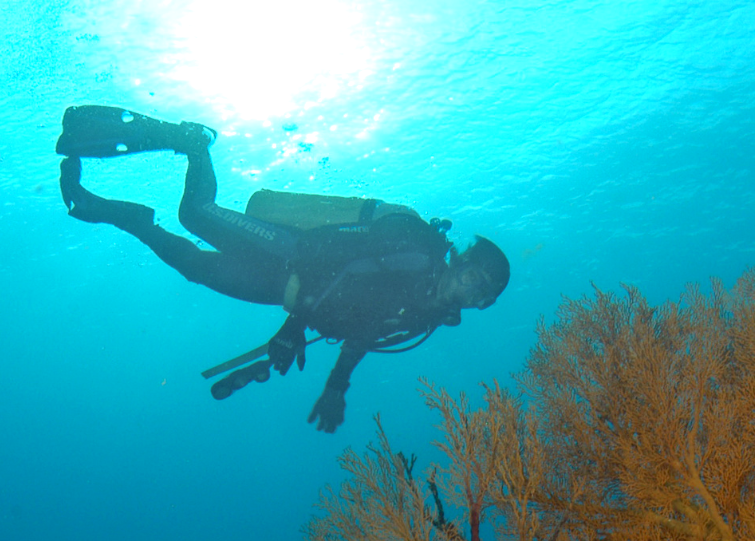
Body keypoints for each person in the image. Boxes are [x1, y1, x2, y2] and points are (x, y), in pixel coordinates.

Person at [55, 105, 509, 432]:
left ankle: (123, 216)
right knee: (195, 214)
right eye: (472, 278)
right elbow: (335, 258)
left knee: (191, 266)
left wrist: (336, 387)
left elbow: (363, 333)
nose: (470, 294)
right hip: (289, 252)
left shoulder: (422, 314)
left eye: (481, 297)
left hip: (281, 287)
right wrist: (295, 328)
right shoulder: (415, 252)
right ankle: (194, 143)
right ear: (460, 262)